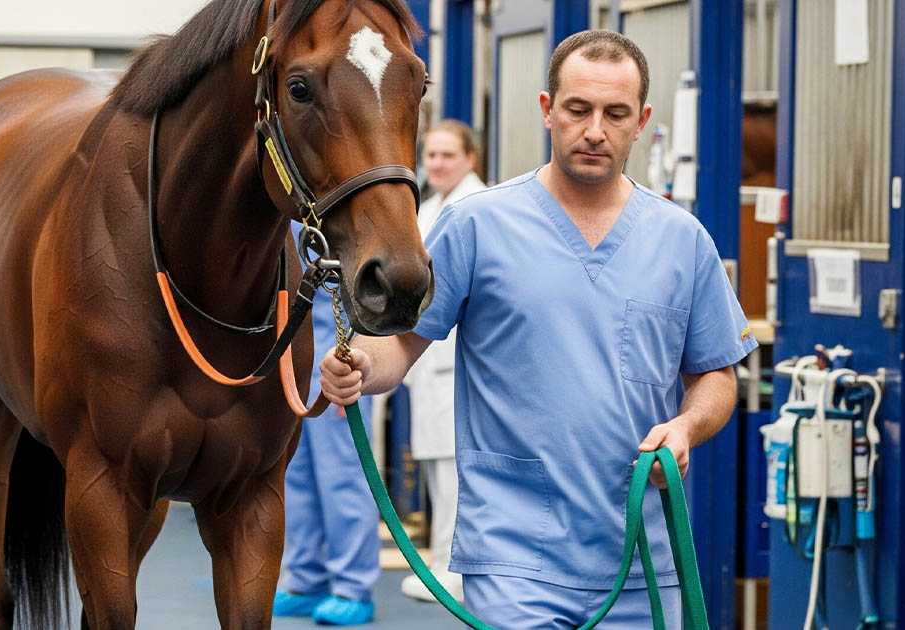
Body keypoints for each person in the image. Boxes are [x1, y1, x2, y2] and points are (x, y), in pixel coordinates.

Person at [321, 30, 757, 630]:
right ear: (549, 110)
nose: (595, 130)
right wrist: (363, 367)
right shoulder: (477, 225)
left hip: (640, 563)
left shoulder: (683, 241)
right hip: (515, 556)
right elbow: (402, 341)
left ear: (642, 121)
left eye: (615, 114)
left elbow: (715, 374)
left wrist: (685, 427)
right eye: (578, 109)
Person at [273, 223, 380, 626]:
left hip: (336, 351)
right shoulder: (288, 210)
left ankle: (353, 585)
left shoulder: (340, 206)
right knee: (295, 473)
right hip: (291, 356)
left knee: (342, 474)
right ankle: (305, 577)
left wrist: (354, 358)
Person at [399, 119, 486, 604]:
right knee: (438, 469)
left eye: (448, 156)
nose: (436, 164)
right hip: (427, 365)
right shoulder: (426, 207)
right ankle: (441, 564)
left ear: (470, 159)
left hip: (459, 364)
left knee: (459, 471)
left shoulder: (479, 207)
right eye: (430, 155)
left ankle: (454, 571)